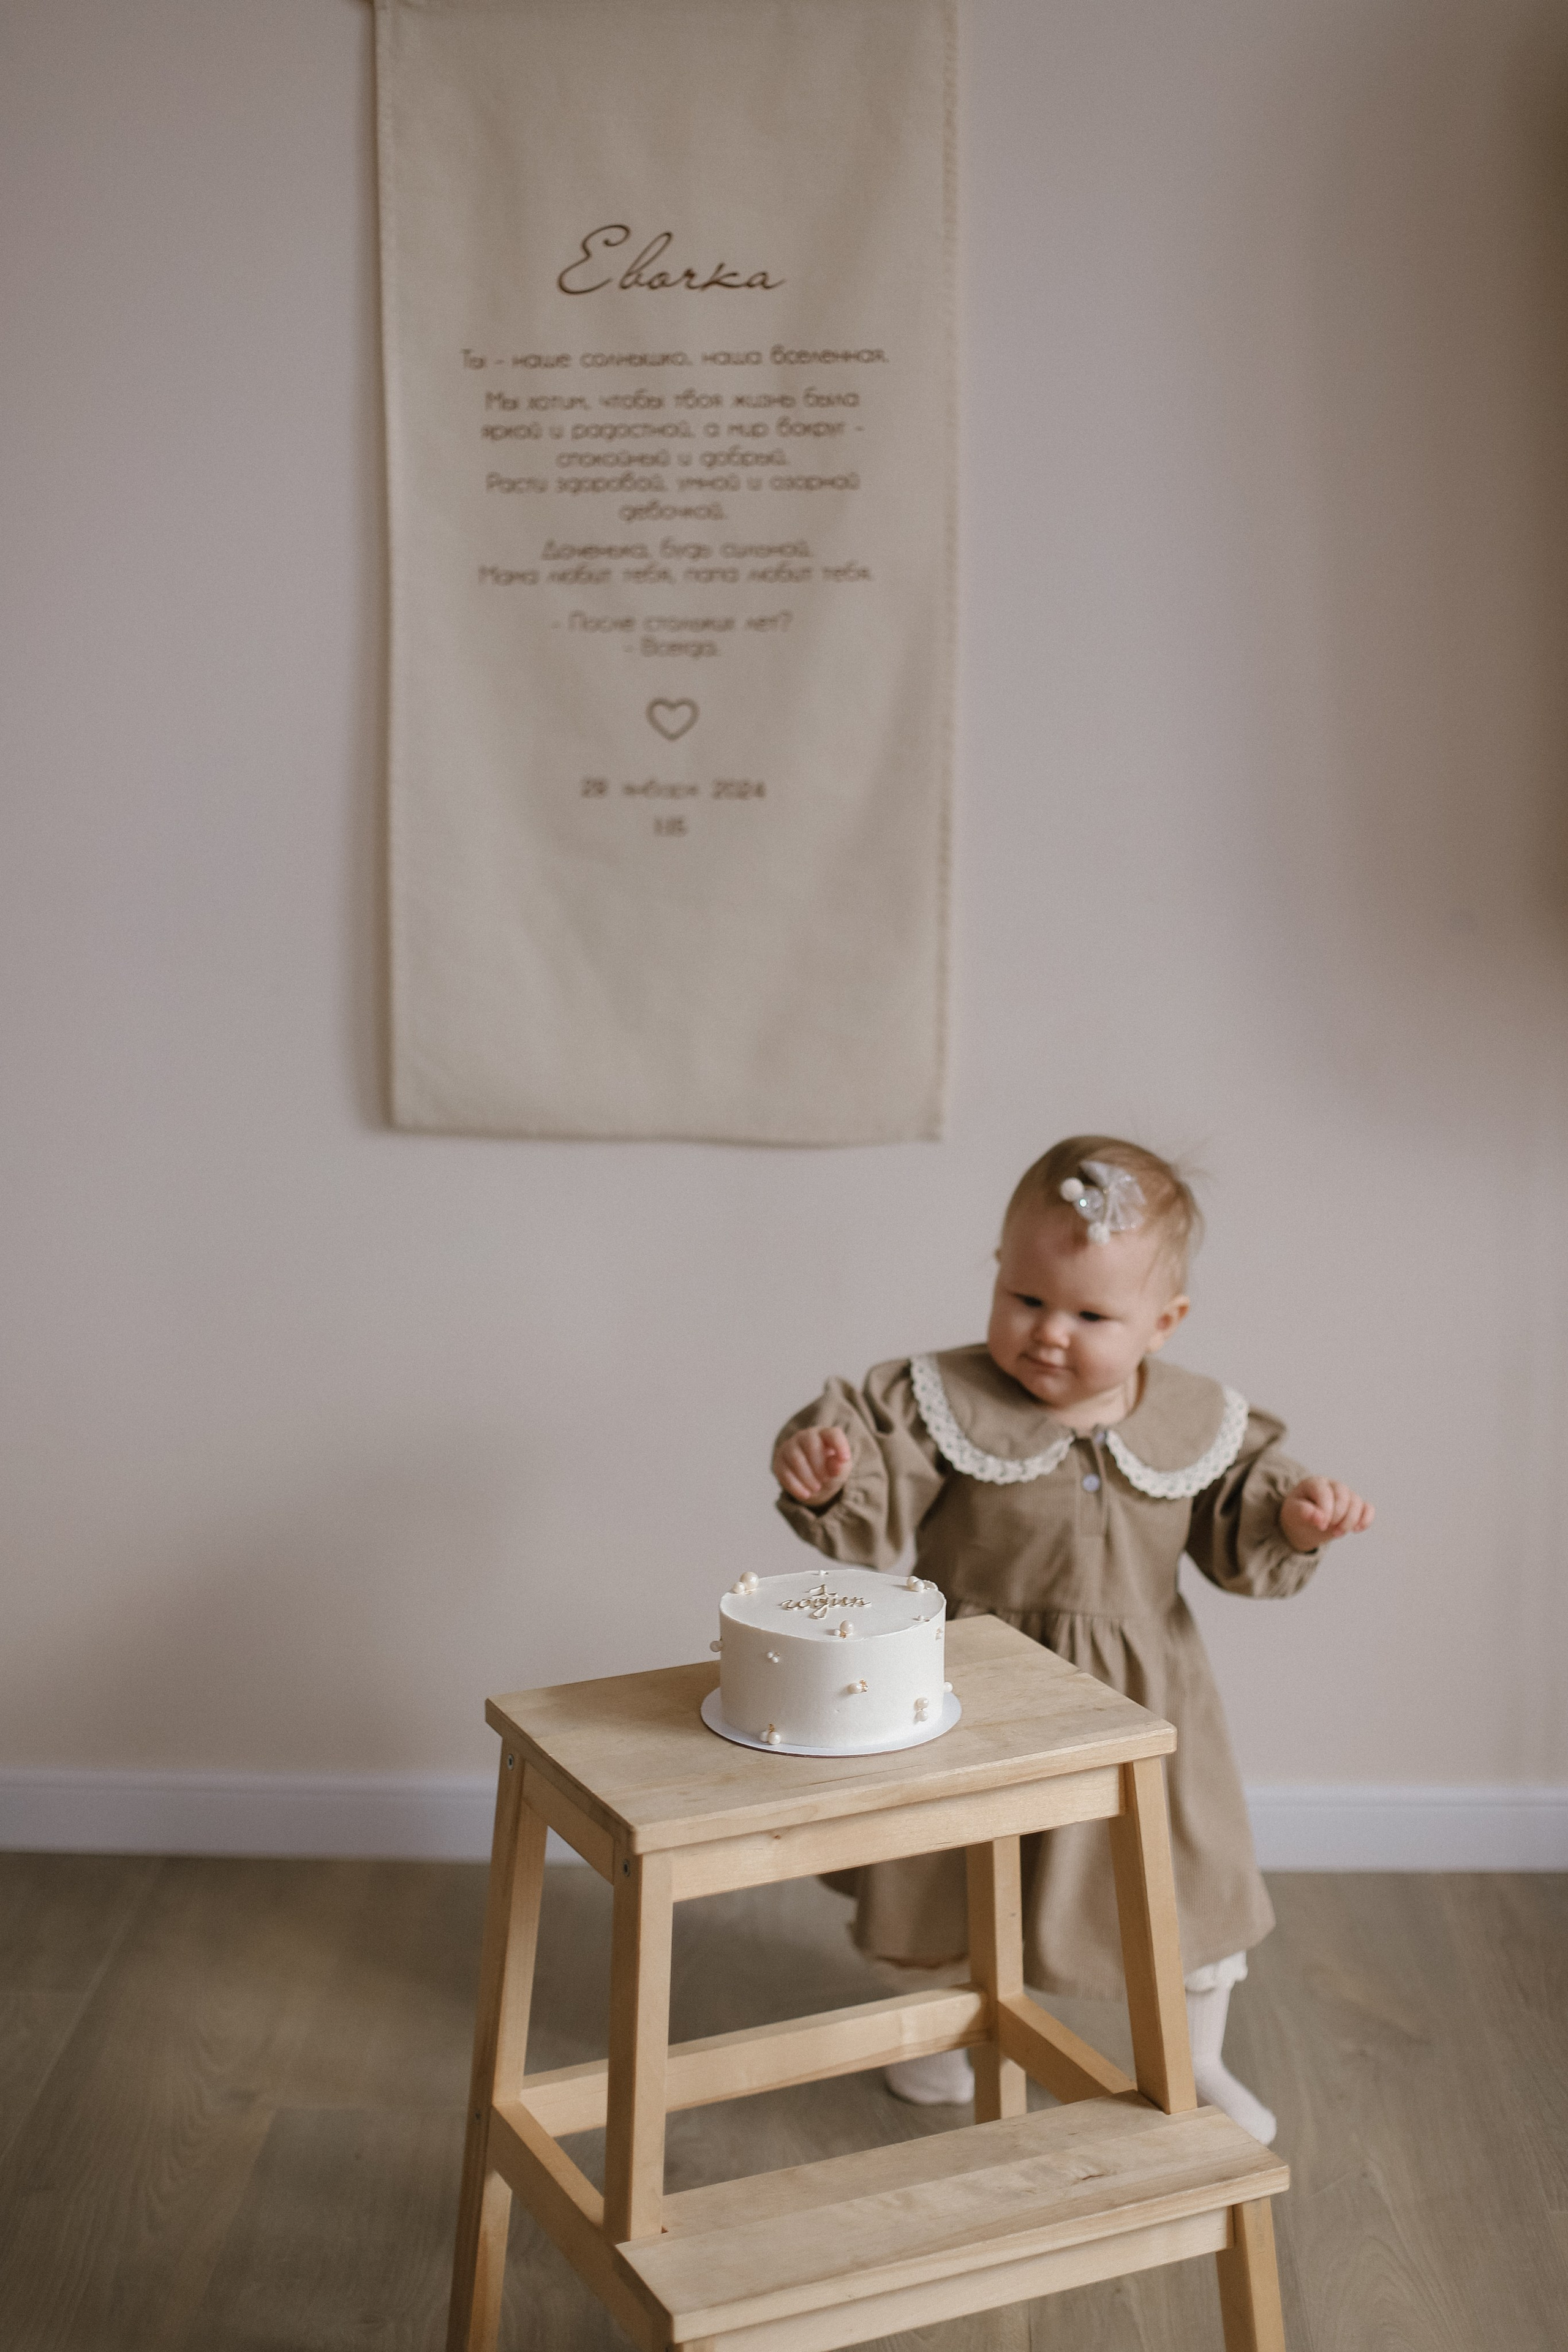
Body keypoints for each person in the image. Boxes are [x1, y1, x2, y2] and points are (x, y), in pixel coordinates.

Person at [771, 1136, 1373, 2144]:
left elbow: (1240, 1525)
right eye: (1026, 1299)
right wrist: (834, 1473)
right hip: (970, 1688)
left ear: (1162, 1325)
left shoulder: (1199, 1422)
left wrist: (1295, 1521)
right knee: (946, 1869)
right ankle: (933, 2037)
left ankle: (1195, 2058)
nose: (1049, 1335)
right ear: (998, 1277)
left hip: (1141, 1703)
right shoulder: (943, 1403)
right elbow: (877, 1488)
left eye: (1091, 1316)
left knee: (1180, 1879)